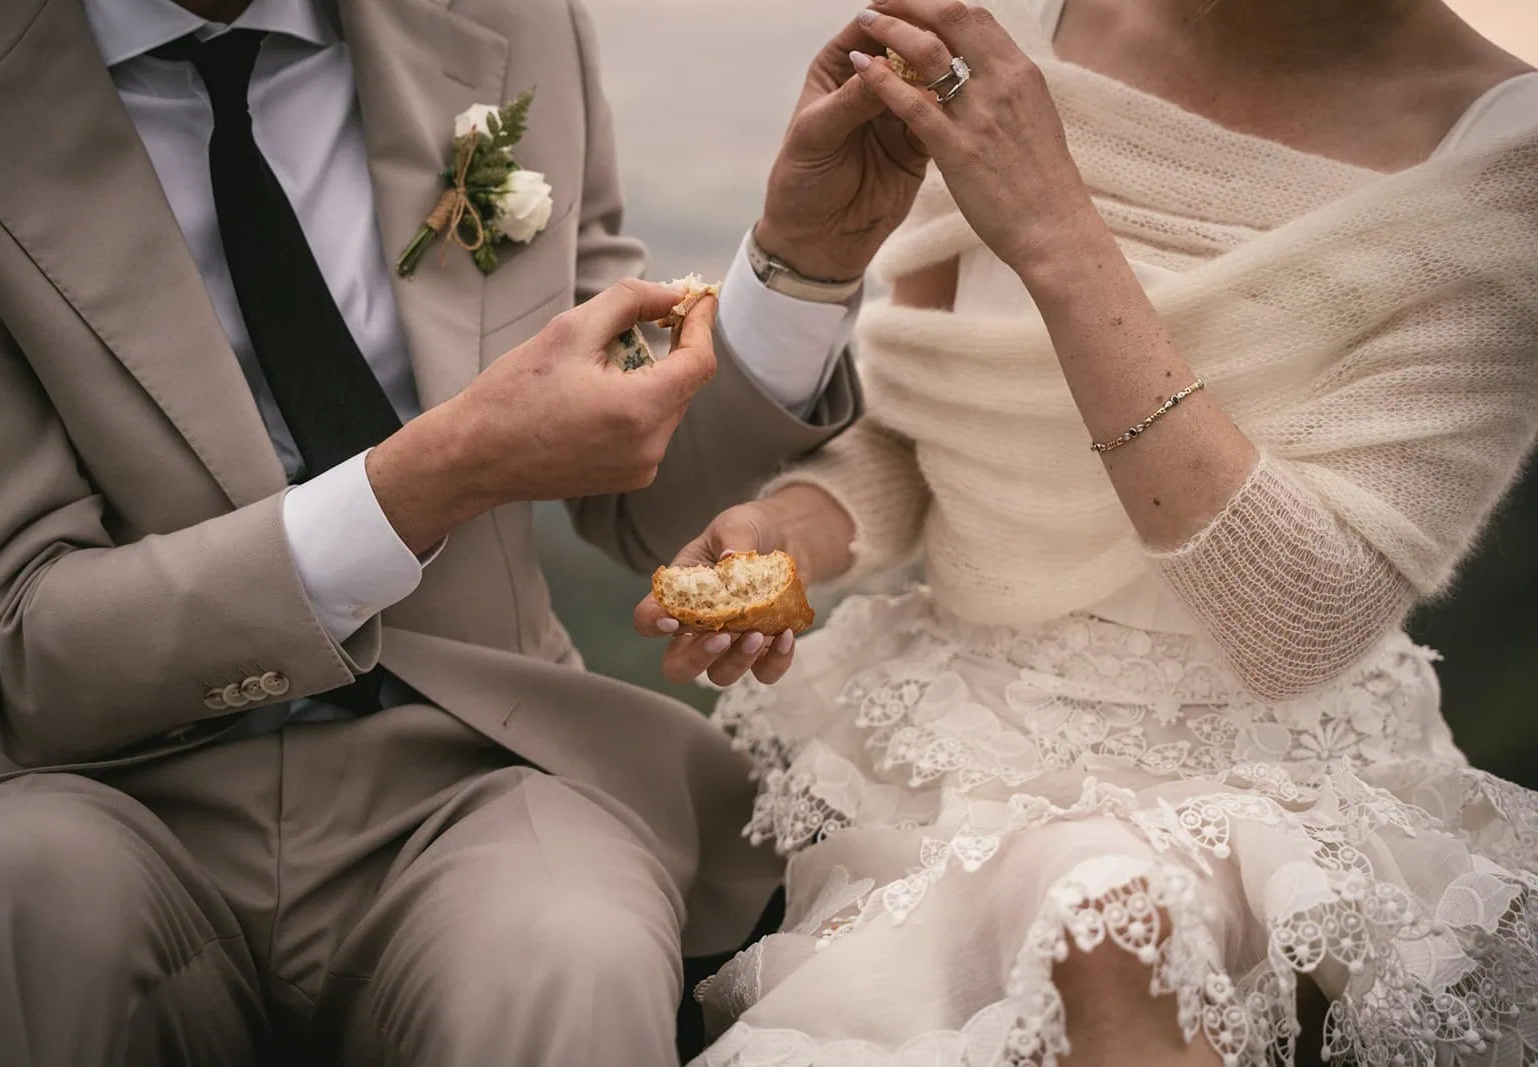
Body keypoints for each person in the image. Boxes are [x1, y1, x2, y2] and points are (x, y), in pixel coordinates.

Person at [0, 0, 941, 1063]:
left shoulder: (512, 20)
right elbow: (17, 638)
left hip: (480, 760)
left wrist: (805, 258)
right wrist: (432, 475)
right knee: (8, 898)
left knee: (573, 952)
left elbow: (641, 495)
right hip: (80, 775)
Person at [641, 0, 1538, 1063]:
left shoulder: (1498, 162)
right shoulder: (1012, 32)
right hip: (957, 750)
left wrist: (1056, 229)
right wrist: (783, 530)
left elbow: (1299, 615)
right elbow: (920, 435)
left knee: (1101, 912)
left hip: (1265, 796)